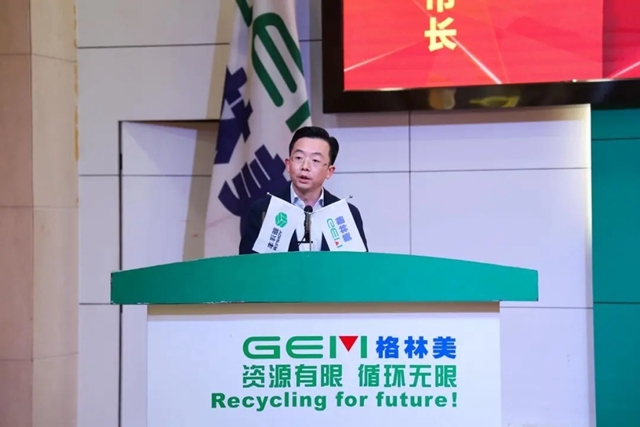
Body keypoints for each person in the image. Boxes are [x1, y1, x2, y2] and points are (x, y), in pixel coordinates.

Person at [239, 126, 368, 254]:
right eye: (299, 158)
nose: (305, 166)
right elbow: (247, 264)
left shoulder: (346, 214)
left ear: (329, 171)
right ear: (288, 164)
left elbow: (358, 264)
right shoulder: (263, 210)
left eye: (315, 160)